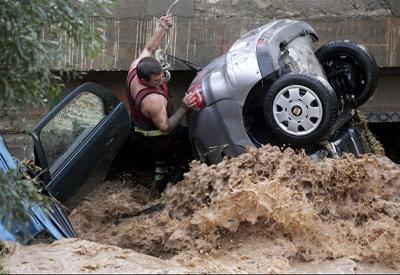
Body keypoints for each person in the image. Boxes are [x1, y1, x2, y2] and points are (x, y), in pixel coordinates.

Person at [126, 14, 196, 194]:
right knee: (180, 145)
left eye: (162, 76)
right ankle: (163, 183)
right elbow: (165, 127)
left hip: (139, 124)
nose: (162, 80)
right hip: (154, 134)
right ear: (143, 80)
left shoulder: (136, 65)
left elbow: (149, 48)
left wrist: (162, 28)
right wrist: (183, 108)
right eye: (156, 81)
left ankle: (158, 170)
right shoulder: (153, 100)